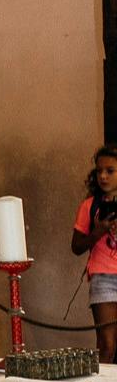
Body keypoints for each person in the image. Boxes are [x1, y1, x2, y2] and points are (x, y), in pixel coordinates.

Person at [71, 144, 117, 362]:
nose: (103, 176)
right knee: (107, 344)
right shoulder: (90, 206)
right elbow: (76, 247)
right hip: (103, 277)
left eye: (110, 171)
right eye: (99, 171)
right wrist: (97, 233)